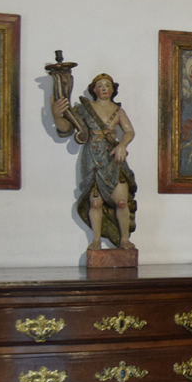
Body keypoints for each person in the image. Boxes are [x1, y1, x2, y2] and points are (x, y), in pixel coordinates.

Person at [51, 73, 137, 250]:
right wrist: (57, 116)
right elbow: (67, 128)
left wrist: (122, 145)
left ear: (113, 89)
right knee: (95, 203)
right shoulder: (85, 108)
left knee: (121, 201)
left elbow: (129, 132)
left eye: (107, 85)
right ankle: (96, 239)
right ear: (94, 90)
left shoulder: (118, 111)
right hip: (93, 158)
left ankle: (124, 239)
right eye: (100, 85)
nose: (104, 88)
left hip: (113, 156)